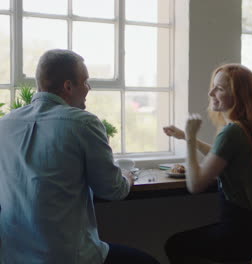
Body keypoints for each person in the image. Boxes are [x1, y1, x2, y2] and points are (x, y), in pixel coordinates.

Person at [0, 49, 159, 264]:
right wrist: (126, 177)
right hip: (67, 257)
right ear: (68, 86)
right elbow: (112, 190)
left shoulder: (5, 124)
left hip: (14, 256)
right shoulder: (82, 123)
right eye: (85, 82)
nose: (88, 89)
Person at [163, 64, 252, 263]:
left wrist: (191, 138)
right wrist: (186, 137)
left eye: (220, 89)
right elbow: (222, 156)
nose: (211, 92)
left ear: (238, 96)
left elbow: (195, 185)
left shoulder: (232, 132)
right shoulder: (249, 127)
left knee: (175, 245)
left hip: (239, 233)